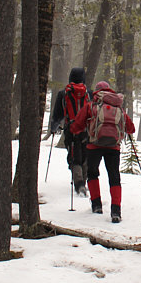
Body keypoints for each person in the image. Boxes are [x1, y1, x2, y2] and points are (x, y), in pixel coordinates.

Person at [69, 80, 135, 222]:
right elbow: (131, 128)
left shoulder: (91, 105)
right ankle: (116, 211)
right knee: (114, 177)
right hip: (113, 147)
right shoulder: (118, 106)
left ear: (96, 91)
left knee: (92, 173)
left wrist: (73, 129)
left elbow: (77, 125)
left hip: (94, 145)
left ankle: (96, 205)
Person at [50, 67, 91, 195]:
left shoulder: (64, 93)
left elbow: (58, 114)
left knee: (74, 156)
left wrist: (53, 127)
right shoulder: (89, 93)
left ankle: (79, 184)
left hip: (71, 129)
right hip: (86, 129)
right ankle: (84, 182)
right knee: (85, 155)